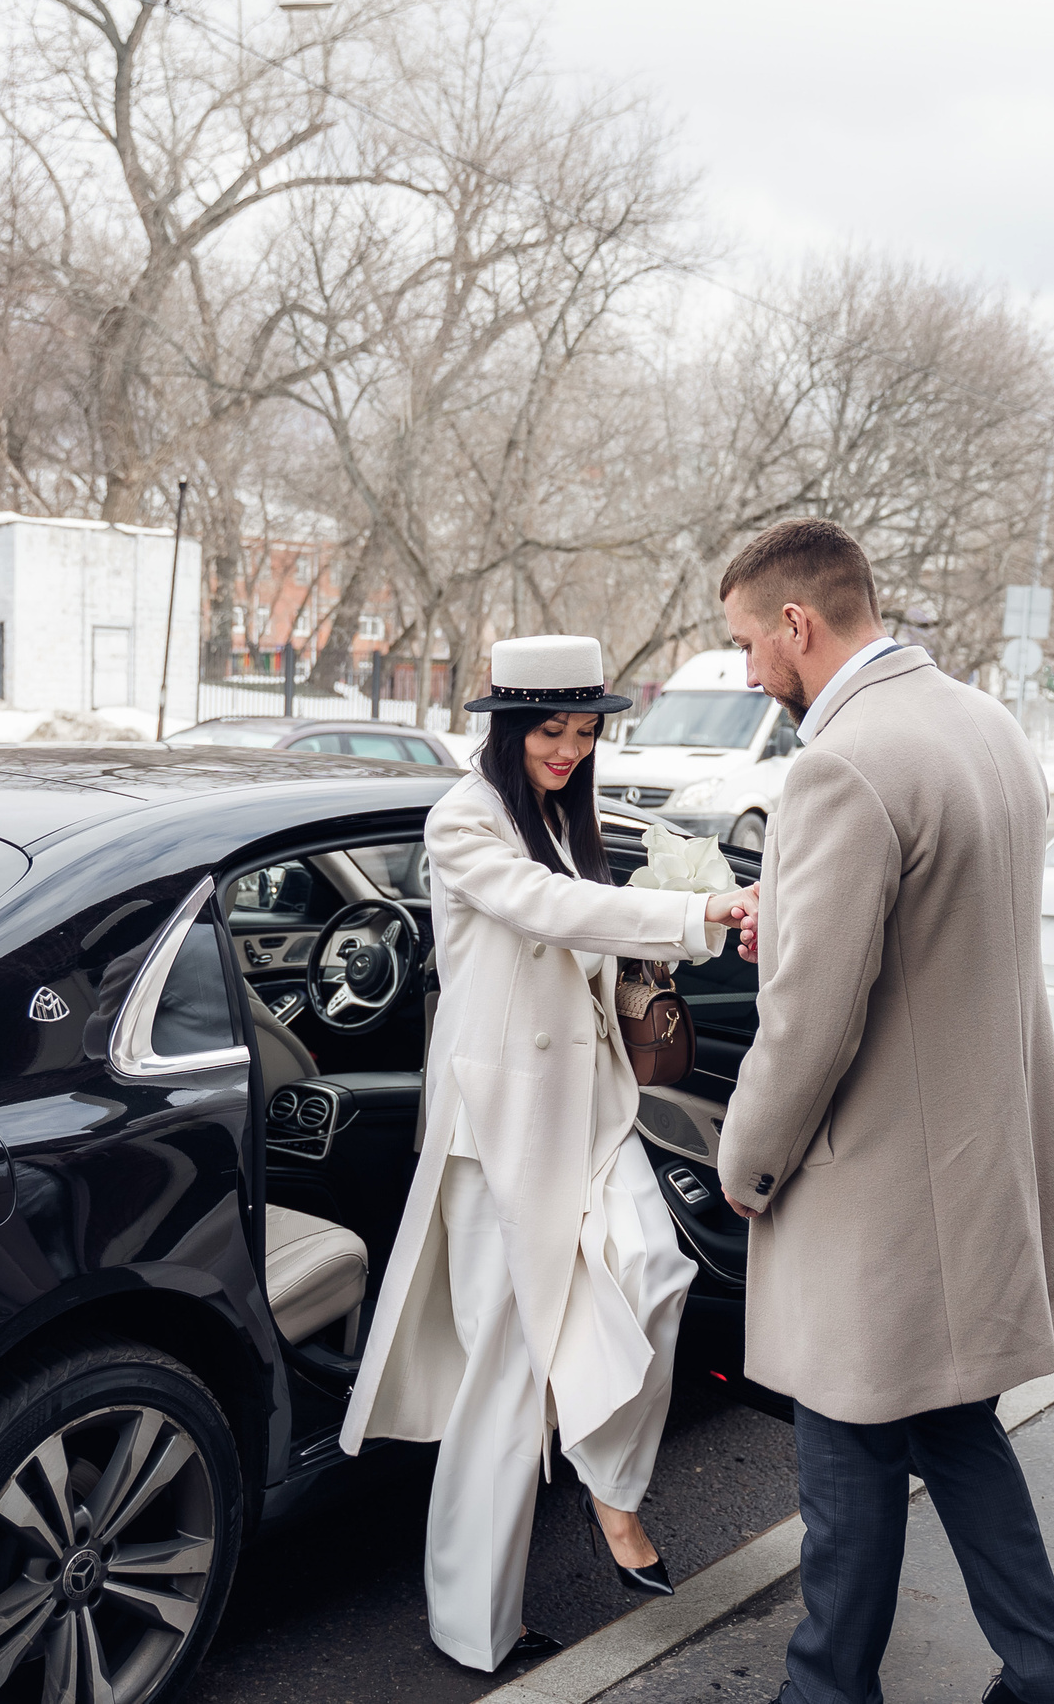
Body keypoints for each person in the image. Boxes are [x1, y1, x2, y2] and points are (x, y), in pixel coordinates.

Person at [714, 520, 1054, 1704]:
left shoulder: (840, 765)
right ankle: (1048, 1678)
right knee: (953, 1432)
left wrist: (747, 1162)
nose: (744, 674)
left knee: (844, 1455)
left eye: (745, 644)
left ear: (797, 624)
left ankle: (826, 1694)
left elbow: (809, 1022)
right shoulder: (984, 726)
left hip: (875, 1191)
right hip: (973, 1165)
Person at [340, 634, 749, 1672]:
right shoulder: (464, 818)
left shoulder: (562, 816)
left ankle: (612, 1489)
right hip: (502, 1131)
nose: (568, 750)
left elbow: (587, 924)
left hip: (595, 1105)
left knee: (657, 1268)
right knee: (505, 1379)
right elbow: (553, 909)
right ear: (506, 724)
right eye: (550, 731)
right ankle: (473, 1626)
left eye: (584, 732)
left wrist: (670, 924)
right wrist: (695, 909)